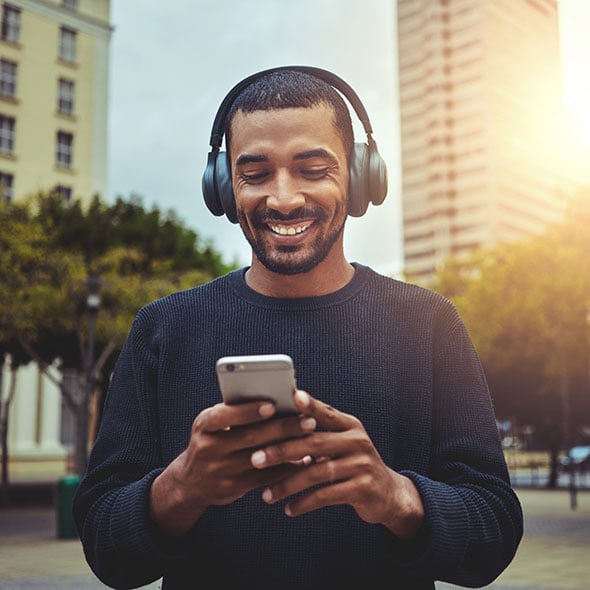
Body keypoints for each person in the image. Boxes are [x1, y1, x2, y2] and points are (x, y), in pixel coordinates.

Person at [73, 67, 523, 590]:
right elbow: (106, 550)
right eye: (256, 174)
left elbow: (493, 537)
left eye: (313, 169)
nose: (283, 199)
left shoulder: (430, 323)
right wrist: (181, 487)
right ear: (224, 187)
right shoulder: (160, 328)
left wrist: (395, 496)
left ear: (359, 177)